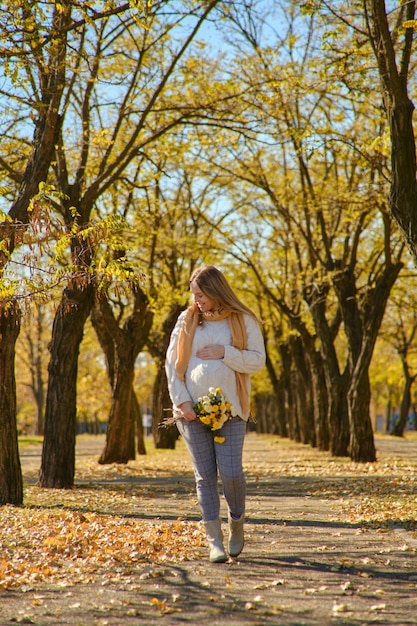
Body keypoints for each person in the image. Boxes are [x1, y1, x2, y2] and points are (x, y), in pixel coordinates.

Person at [165, 265, 266, 562]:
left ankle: (236, 523)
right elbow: (172, 365)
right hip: (191, 414)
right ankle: (215, 542)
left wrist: (225, 353)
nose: (197, 300)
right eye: (194, 295)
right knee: (205, 477)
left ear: (216, 291)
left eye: (201, 294)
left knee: (232, 474)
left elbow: (258, 361)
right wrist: (182, 403)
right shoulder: (187, 320)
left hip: (231, 411)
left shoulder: (242, 320)